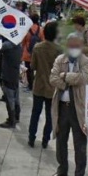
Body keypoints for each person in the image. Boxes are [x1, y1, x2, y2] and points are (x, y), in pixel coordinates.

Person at [49, 32, 88, 176]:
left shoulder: (86, 61)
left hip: (78, 109)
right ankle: (62, 169)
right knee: (61, 141)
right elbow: (53, 78)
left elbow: (82, 79)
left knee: (80, 144)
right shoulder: (60, 60)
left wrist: (64, 75)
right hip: (62, 107)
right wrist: (67, 82)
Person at [28, 21, 61, 149]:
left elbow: (33, 66)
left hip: (39, 85)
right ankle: (45, 139)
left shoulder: (37, 47)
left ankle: (31, 137)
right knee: (50, 115)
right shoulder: (59, 50)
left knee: (35, 113)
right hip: (52, 87)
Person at [0, 33, 22, 129]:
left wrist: (0, 35)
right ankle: (16, 116)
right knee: (16, 96)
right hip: (15, 73)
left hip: (7, 74)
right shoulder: (18, 42)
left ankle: (11, 120)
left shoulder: (7, 45)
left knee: (9, 98)